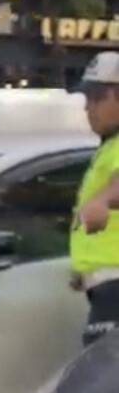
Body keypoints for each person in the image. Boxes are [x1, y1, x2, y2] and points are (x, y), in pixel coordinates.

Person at [70, 53, 119, 345]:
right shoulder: (109, 147)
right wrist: (86, 270)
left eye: (97, 97)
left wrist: (102, 200)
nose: (88, 108)